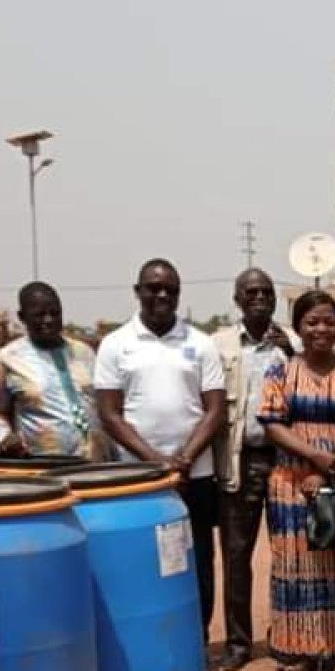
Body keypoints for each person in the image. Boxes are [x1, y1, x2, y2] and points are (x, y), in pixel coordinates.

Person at [94, 259, 227, 647]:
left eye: (170, 289)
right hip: (138, 478)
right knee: (140, 562)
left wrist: (183, 458)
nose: (162, 295)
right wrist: (154, 459)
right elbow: (109, 414)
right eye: (154, 288)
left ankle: (196, 643)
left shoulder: (200, 343)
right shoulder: (116, 345)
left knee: (198, 562)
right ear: (138, 292)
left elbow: (215, 410)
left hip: (195, 475)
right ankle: (146, 643)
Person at [258, 289, 335, 671]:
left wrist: (329, 467)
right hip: (290, 484)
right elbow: (272, 424)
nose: (321, 328)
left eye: (328, 320)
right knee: (295, 567)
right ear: (298, 327)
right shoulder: (280, 370)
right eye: (312, 322)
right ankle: (298, 649)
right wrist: (315, 458)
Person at [212, 268, 298, 671]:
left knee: (288, 554)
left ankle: (286, 637)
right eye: (252, 292)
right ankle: (238, 642)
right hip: (241, 459)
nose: (260, 298)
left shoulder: (292, 343)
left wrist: (293, 355)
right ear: (237, 299)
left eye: (267, 292)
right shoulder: (220, 345)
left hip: (286, 462)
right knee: (236, 554)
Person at [0, 281, 111, 460]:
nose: (49, 320)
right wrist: (5, 438)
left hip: (95, 462)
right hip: (44, 467)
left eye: (55, 313)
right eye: (40, 315)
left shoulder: (85, 353)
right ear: (22, 317)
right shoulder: (7, 359)